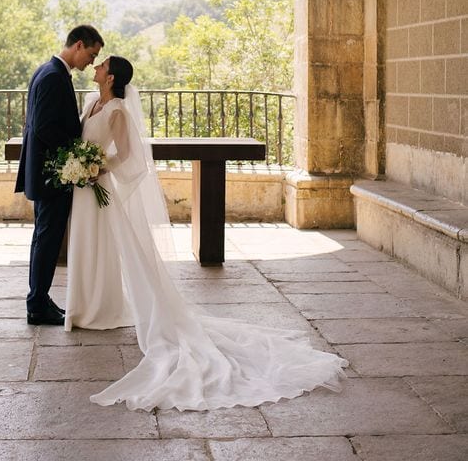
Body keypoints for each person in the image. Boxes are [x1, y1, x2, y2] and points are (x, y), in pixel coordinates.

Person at [64, 55, 348, 411]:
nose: (96, 66)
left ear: (111, 76)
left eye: (101, 64)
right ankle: (84, 306)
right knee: (87, 245)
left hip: (98, 185)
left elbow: (128, 155)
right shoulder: (91, 102)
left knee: (109, 248)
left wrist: (98, 168)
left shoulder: (118, 109)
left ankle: (101, 308)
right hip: (83, 188)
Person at [15, 24, 104, 325]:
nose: (91, 62)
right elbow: (43, 128)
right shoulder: (53, 77)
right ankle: (37, 305)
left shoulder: (47, 71)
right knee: (48, 239)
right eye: (91, 54)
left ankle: (38, 299)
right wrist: (75, 157)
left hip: (45, 173)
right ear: (79, 45)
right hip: (51, 175)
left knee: (44, 238)